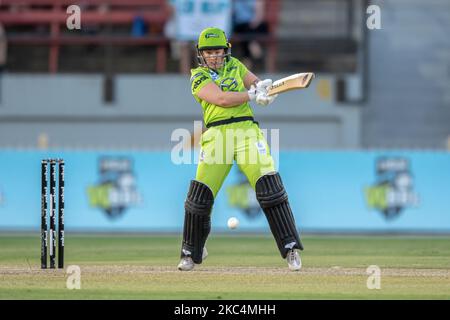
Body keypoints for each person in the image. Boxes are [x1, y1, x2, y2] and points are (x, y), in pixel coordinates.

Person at [177, 27, 304, 272]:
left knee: (271, 189)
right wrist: (251, 95)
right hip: (217, 135)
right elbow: (222, 99)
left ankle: (290, 249)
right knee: (200, 197)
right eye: (208, 52)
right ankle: (190, 253)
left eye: (218, 51)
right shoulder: (198, 77)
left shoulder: (235, 65)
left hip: (247, 131)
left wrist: (264, 90)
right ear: (201, 54)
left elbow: (255, 83)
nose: (213, 56)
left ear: (226, 51)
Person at [232, 0, 269, 69]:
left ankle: (247, 64)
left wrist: (251, 26)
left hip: (254, 25)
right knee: (245, 33)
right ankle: (254, 47)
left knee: (246, 36)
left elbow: (259, 16)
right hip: (240, 26)